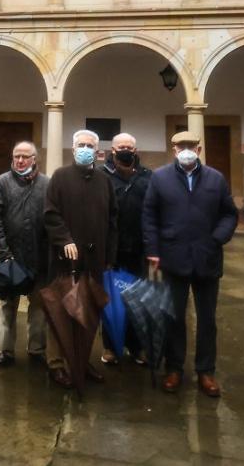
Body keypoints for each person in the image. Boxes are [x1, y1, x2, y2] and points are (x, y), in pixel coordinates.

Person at [143, 130, 238, 398]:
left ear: (199, 149)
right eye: (181, 146)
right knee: (174, 316)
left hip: (207, 258)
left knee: (207, 319)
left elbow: (229, 214)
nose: (186, 150)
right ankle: (174, 368)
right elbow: (149, 215)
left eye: (191, 146)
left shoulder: (215, 179)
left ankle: (206, 371)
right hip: (174, 257)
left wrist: (216, 238)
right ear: (173, 150)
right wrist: (153, 249)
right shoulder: (160, 178)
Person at [43, 129, 118, 389]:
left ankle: (81, 360)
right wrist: (65, 240)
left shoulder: (104, 180)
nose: (85, 148)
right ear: (73, 149)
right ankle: (56, 364)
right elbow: (50, 214)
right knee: (60, 310)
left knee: (88, 313)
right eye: (80, 144)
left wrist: (109, 255)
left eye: (90, 145)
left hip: (94, 260)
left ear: (98, 152)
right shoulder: (60, 177)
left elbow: (112, 220)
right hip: (65, 260)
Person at [0, 141, 50, 367]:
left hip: (38, 256)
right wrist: (3, 253)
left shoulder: (46, 183)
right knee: (7, 305)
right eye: (17, 156)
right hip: (10, 257)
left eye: (25, 156)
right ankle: (5, 350)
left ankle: (36, 349)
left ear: (34, 159)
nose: (20, 160)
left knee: (38, 307)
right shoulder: (2, 182)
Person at [101, 132, 153, 365]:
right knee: (112, 301)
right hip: (113, 250)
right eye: (120, 146)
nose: (125, 150)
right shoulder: (102, 176)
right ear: (112, 150)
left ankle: (137, 346)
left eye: (129, 147)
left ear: (135, 150)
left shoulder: (147, 177)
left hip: (139, 250)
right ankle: (111, 347)